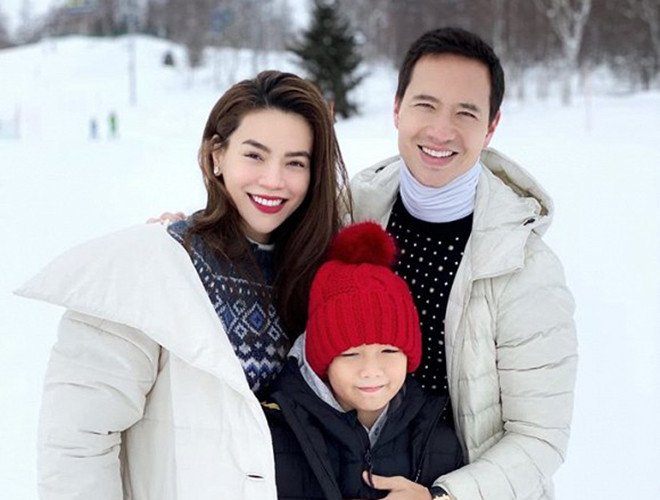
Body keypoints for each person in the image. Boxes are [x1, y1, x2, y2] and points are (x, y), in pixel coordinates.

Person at [16, 70, 350, 500]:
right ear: (216, 155)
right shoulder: (155, 265)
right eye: (254, 155)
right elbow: (78, 439)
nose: (273, 179)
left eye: (295, 162)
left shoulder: (323, 276)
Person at [350, 27, 577, 500]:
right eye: (426, 105)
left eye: (465, 113)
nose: (441, 130)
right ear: (397, 108)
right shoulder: (349, 216)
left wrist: (443, 497)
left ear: (491, 127)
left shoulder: (525, 268)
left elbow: (540, 439)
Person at [262, 221, 463, 500]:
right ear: (323, 361)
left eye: (389, 351)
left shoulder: (439, 442)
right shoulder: (274, 435)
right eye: (350, 354)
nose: (370, 370)